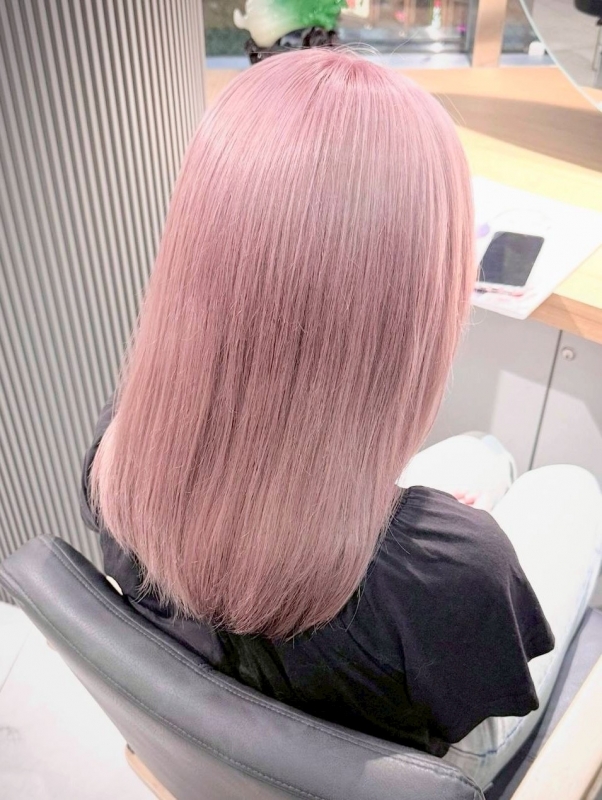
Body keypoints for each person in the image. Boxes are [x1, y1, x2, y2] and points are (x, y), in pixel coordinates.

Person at [80, 49, 602, 790]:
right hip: (400, 760)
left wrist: (423, 541)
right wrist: (443, 546)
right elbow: (476, 709)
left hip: (243, 698)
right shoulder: (457, 568)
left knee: (484, 451)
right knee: (572, 489)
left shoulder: (120, 451)